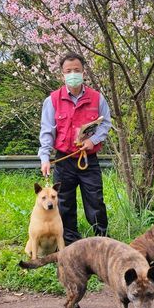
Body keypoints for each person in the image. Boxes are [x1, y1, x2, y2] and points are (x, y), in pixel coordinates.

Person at [38, 52, 112, 245]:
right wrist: (45, 157)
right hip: (64, 160)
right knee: (64, 204)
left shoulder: (97, 98)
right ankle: (71, 243)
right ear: (62, 74)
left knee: (95, 202)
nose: (73, 74)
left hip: (89, 160)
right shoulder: (52, 100)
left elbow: (106, 124)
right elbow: (47, 131)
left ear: (83, 71)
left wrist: (93, 140)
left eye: (76, 70)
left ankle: (101, 241)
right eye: (68, 71)